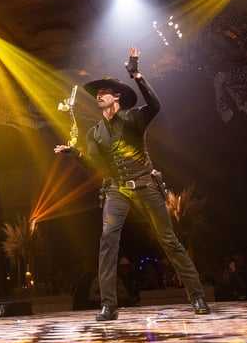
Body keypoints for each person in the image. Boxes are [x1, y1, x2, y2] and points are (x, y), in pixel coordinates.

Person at [55, 46, 210, 321]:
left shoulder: (133, 118)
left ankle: (197, 296)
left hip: (146, 185)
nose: (99, 95)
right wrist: (75, 154)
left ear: (117, 96)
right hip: (117, 189)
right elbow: (97, 167)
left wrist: (136, 75)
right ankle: (108, 305)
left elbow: (156, 105)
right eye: (98, 93)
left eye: (105, 92)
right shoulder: (95, 133)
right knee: (107, 241)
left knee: (169, 240)